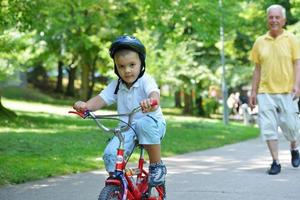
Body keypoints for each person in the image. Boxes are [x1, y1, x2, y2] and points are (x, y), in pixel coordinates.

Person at [73, 35, 167, 186]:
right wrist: (85, 106)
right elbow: (101, 98)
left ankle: (157, 166)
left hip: (153, 125)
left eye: (132, 65)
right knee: (110, 154)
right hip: (127, 128)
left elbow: (154, 94)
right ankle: (118, 187)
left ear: (141, 63)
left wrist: (151, 101)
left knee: (143, 124)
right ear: (116, 67)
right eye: (121, 66)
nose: (127, 70)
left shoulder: (146, 80)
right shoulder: (117, 85)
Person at [249, 4, 300, 175]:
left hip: (287, 91)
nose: (274, 20)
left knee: (292, 127)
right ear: (267, 20)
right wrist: (253, 92)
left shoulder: (291, 39)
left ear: (283, 20)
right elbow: (257, 69)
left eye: (277, 17)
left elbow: (297, 63)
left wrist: (297, 84)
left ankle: (294, 147)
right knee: (269, 127)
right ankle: (275, 161)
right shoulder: (259, 42)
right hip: (266, 92)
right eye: (271, 17)